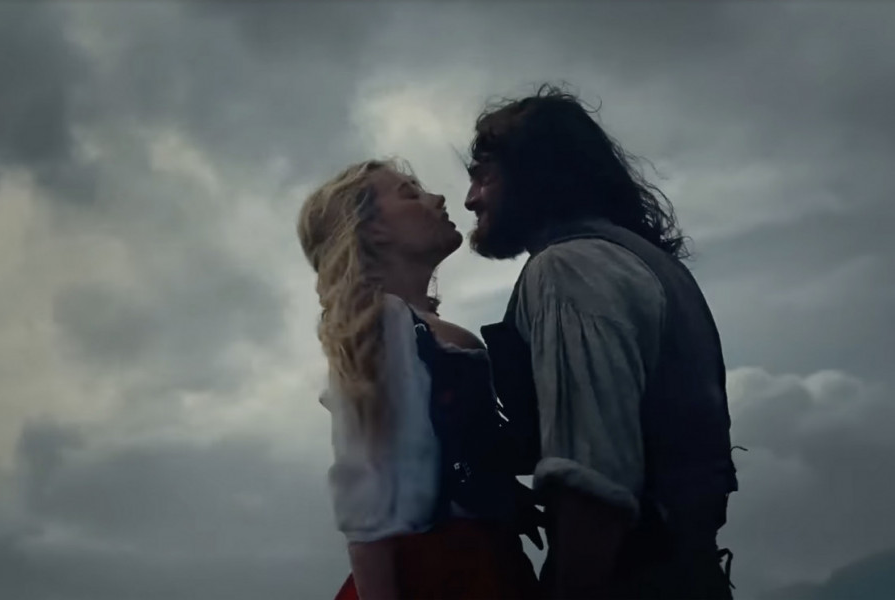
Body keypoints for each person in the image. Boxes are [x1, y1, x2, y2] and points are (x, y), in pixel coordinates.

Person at [465, 85, 739, 599]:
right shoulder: (642, 260)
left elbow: (592, 482)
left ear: (533, 174)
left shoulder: (568, 269)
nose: (471, 199)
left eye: (484, 177)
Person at [298, 159, 542, 600]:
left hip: (484, 563)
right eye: (410, 193)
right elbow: (365, 502)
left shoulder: (416, 333)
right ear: (373, 231)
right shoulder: (383, 329)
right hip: (435, 574)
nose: (439, 198)